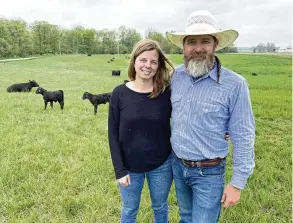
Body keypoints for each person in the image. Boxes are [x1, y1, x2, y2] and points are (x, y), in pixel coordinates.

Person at [165, 10, 255, 223]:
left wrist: (237, 183)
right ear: (184, 47)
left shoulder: (235, 85)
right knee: (185, 217)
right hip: (177, 165)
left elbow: (244, 135)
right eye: (191, 42)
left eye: (205, 41)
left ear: (215, 45)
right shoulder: (175, 77)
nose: (198, 48)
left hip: (209, 172)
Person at [108, 39, 174, 223]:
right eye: (143, 60)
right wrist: (119, 170)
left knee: (160, 207)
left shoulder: (166, 93)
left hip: (161, 165)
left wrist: (220, 129)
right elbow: (112, 134)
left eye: (154, 62)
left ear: (159, 65)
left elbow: (186, 116)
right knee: (129, 210)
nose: (148, 66)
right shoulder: (119, 93)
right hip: (129, 167)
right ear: (134, 61)